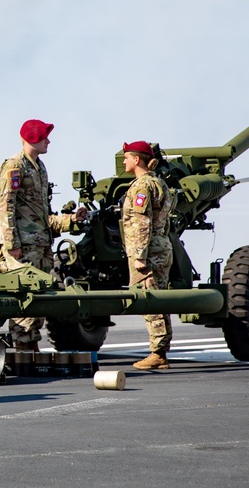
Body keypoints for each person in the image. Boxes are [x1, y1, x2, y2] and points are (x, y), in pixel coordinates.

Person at [0, 119, 86, 351]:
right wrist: (11, 243)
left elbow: (41, 213)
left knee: (39, 296)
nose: (49, 141)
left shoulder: (39, 166)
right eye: (45, 136)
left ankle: (32, 346)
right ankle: (24, 346)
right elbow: (6, 206)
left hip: (41, 243)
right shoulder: (14, 166)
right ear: (33, 137)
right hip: (24, 246)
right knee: (24, 294)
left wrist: (70, 220)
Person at [120, 140, 176, 370]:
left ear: (136, 159)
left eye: (126, 157)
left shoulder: (142, 187)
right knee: (159, 299)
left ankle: (158, 354)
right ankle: (160, 350)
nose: (123, 161)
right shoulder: (158, 183)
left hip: (148, 251)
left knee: (150, 299)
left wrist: (140, 256)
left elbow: (142, 223)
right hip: (160, 246)